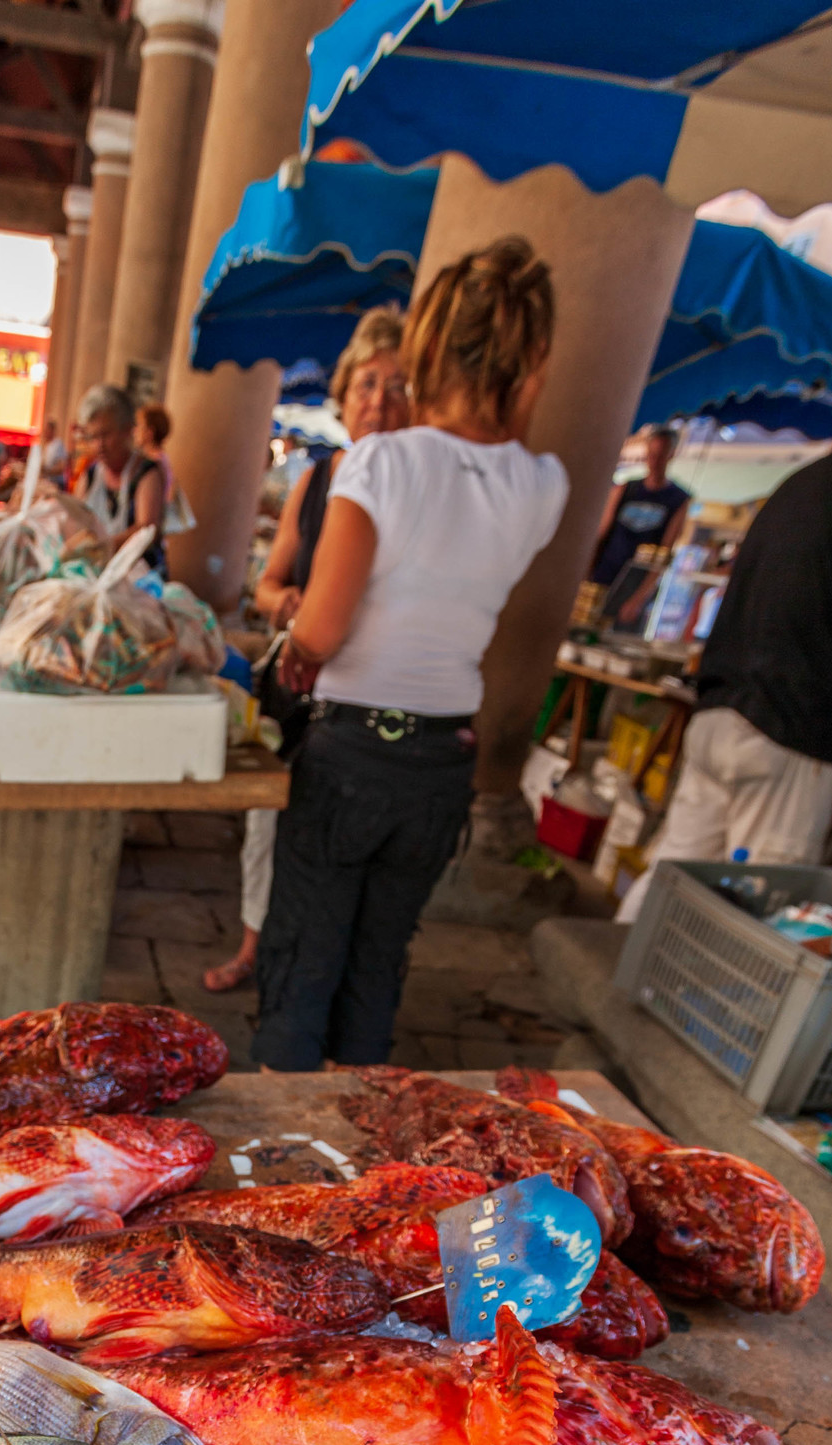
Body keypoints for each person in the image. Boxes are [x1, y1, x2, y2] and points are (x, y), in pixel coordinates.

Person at [252, 238, 567, 1071]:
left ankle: (277, 1163)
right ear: (526, 362)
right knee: (377, 966)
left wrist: (297, 648)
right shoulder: (543, 484)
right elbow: (500, 455)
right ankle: (365, 1167)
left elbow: (319, 630)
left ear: (428, 347)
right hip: (441, 765)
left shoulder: (382, 463)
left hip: (353, 751)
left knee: (301, 964)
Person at [616, 376, 832, 923]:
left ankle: (613, 979)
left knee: (673, 873)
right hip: (791, 729)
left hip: (721, 711)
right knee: (760, 908)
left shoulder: (800, 482)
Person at [205, 309, 409, 995]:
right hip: (306, 696)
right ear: (344, 395)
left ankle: (321, 980)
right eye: (368, 383)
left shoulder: (417, 490)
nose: (379, 399)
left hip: (375, 708)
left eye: (397, 385)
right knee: (268, 823)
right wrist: (289, 603)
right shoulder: (318, 483)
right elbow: (266, 585)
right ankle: (256, 948)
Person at [590, 421, 689, 597]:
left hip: (635, 583)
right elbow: (602, 532)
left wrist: (640, 596)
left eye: (661, 455)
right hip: (604, 573)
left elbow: (664, 552)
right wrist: (587, 570)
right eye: (652, 454)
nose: (654, 461)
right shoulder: (625, 489)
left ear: (671, 455)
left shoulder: (679, 499)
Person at [76, 383, 165, 571]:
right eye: (93, 437)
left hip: (139, 578)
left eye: (105, 434)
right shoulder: (90, 476)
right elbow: (76, 519)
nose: (99, 445)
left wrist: (102, 548)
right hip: (97, 571)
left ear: (127, 430)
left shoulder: (147, 473)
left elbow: (147, 529)